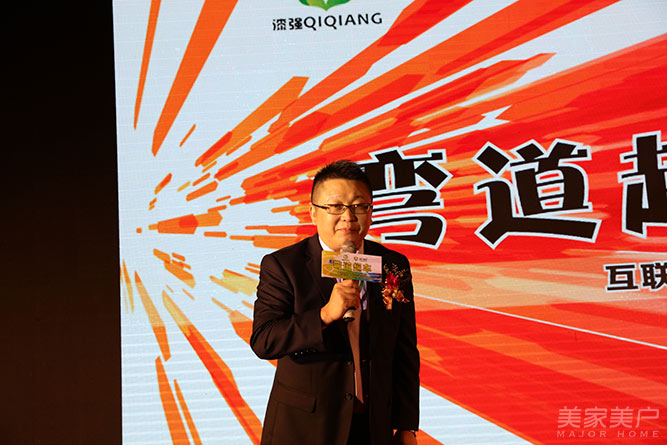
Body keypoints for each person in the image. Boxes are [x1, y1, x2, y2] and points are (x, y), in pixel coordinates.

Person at [250, 160, 419, 444]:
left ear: (371, 212)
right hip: (305, 428)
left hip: (372, 427)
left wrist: (406, 426)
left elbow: (404, 351)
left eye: (358, 206)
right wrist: (325, 315)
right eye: (336, 206)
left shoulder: (391, 265)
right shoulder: (284, 265)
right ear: (313, 212)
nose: (348, 217)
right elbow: (264, 340)